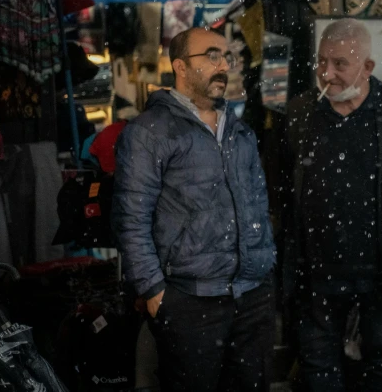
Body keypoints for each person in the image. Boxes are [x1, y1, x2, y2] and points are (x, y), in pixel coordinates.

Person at [283, 19, 382, 391]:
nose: (327, 74)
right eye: (321, 62)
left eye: (340, 64)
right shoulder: (300, 114)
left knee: (380, 364)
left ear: (367, 67)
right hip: (318, 274)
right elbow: (281, 194)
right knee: (317, 365)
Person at [112, 27, 276, 392]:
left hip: (251, 296)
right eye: (212, 56)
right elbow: (130, 219)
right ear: (181, 67)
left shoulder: (240, 132)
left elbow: (258, 205)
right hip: (191, 300)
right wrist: (154, 292)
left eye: (226, 57)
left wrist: (265, 271)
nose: (223, 66)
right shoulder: (149, 132)